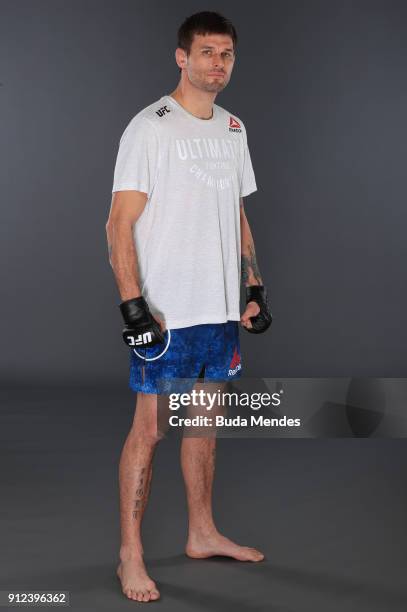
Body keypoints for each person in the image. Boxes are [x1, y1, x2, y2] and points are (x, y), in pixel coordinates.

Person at [106, 11, 272, 603]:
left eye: (225, 54)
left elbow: (236, 214)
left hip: (219, 306)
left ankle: (201, 531)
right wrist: (134, 308)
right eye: (205, 52)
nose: (216, 64)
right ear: (182, 57)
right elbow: (118, 224)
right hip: (167, 311)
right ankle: (131, 552)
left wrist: (252, 288)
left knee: (203, 423)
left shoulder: (233, 128)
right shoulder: (149, 128)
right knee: (149, 429)